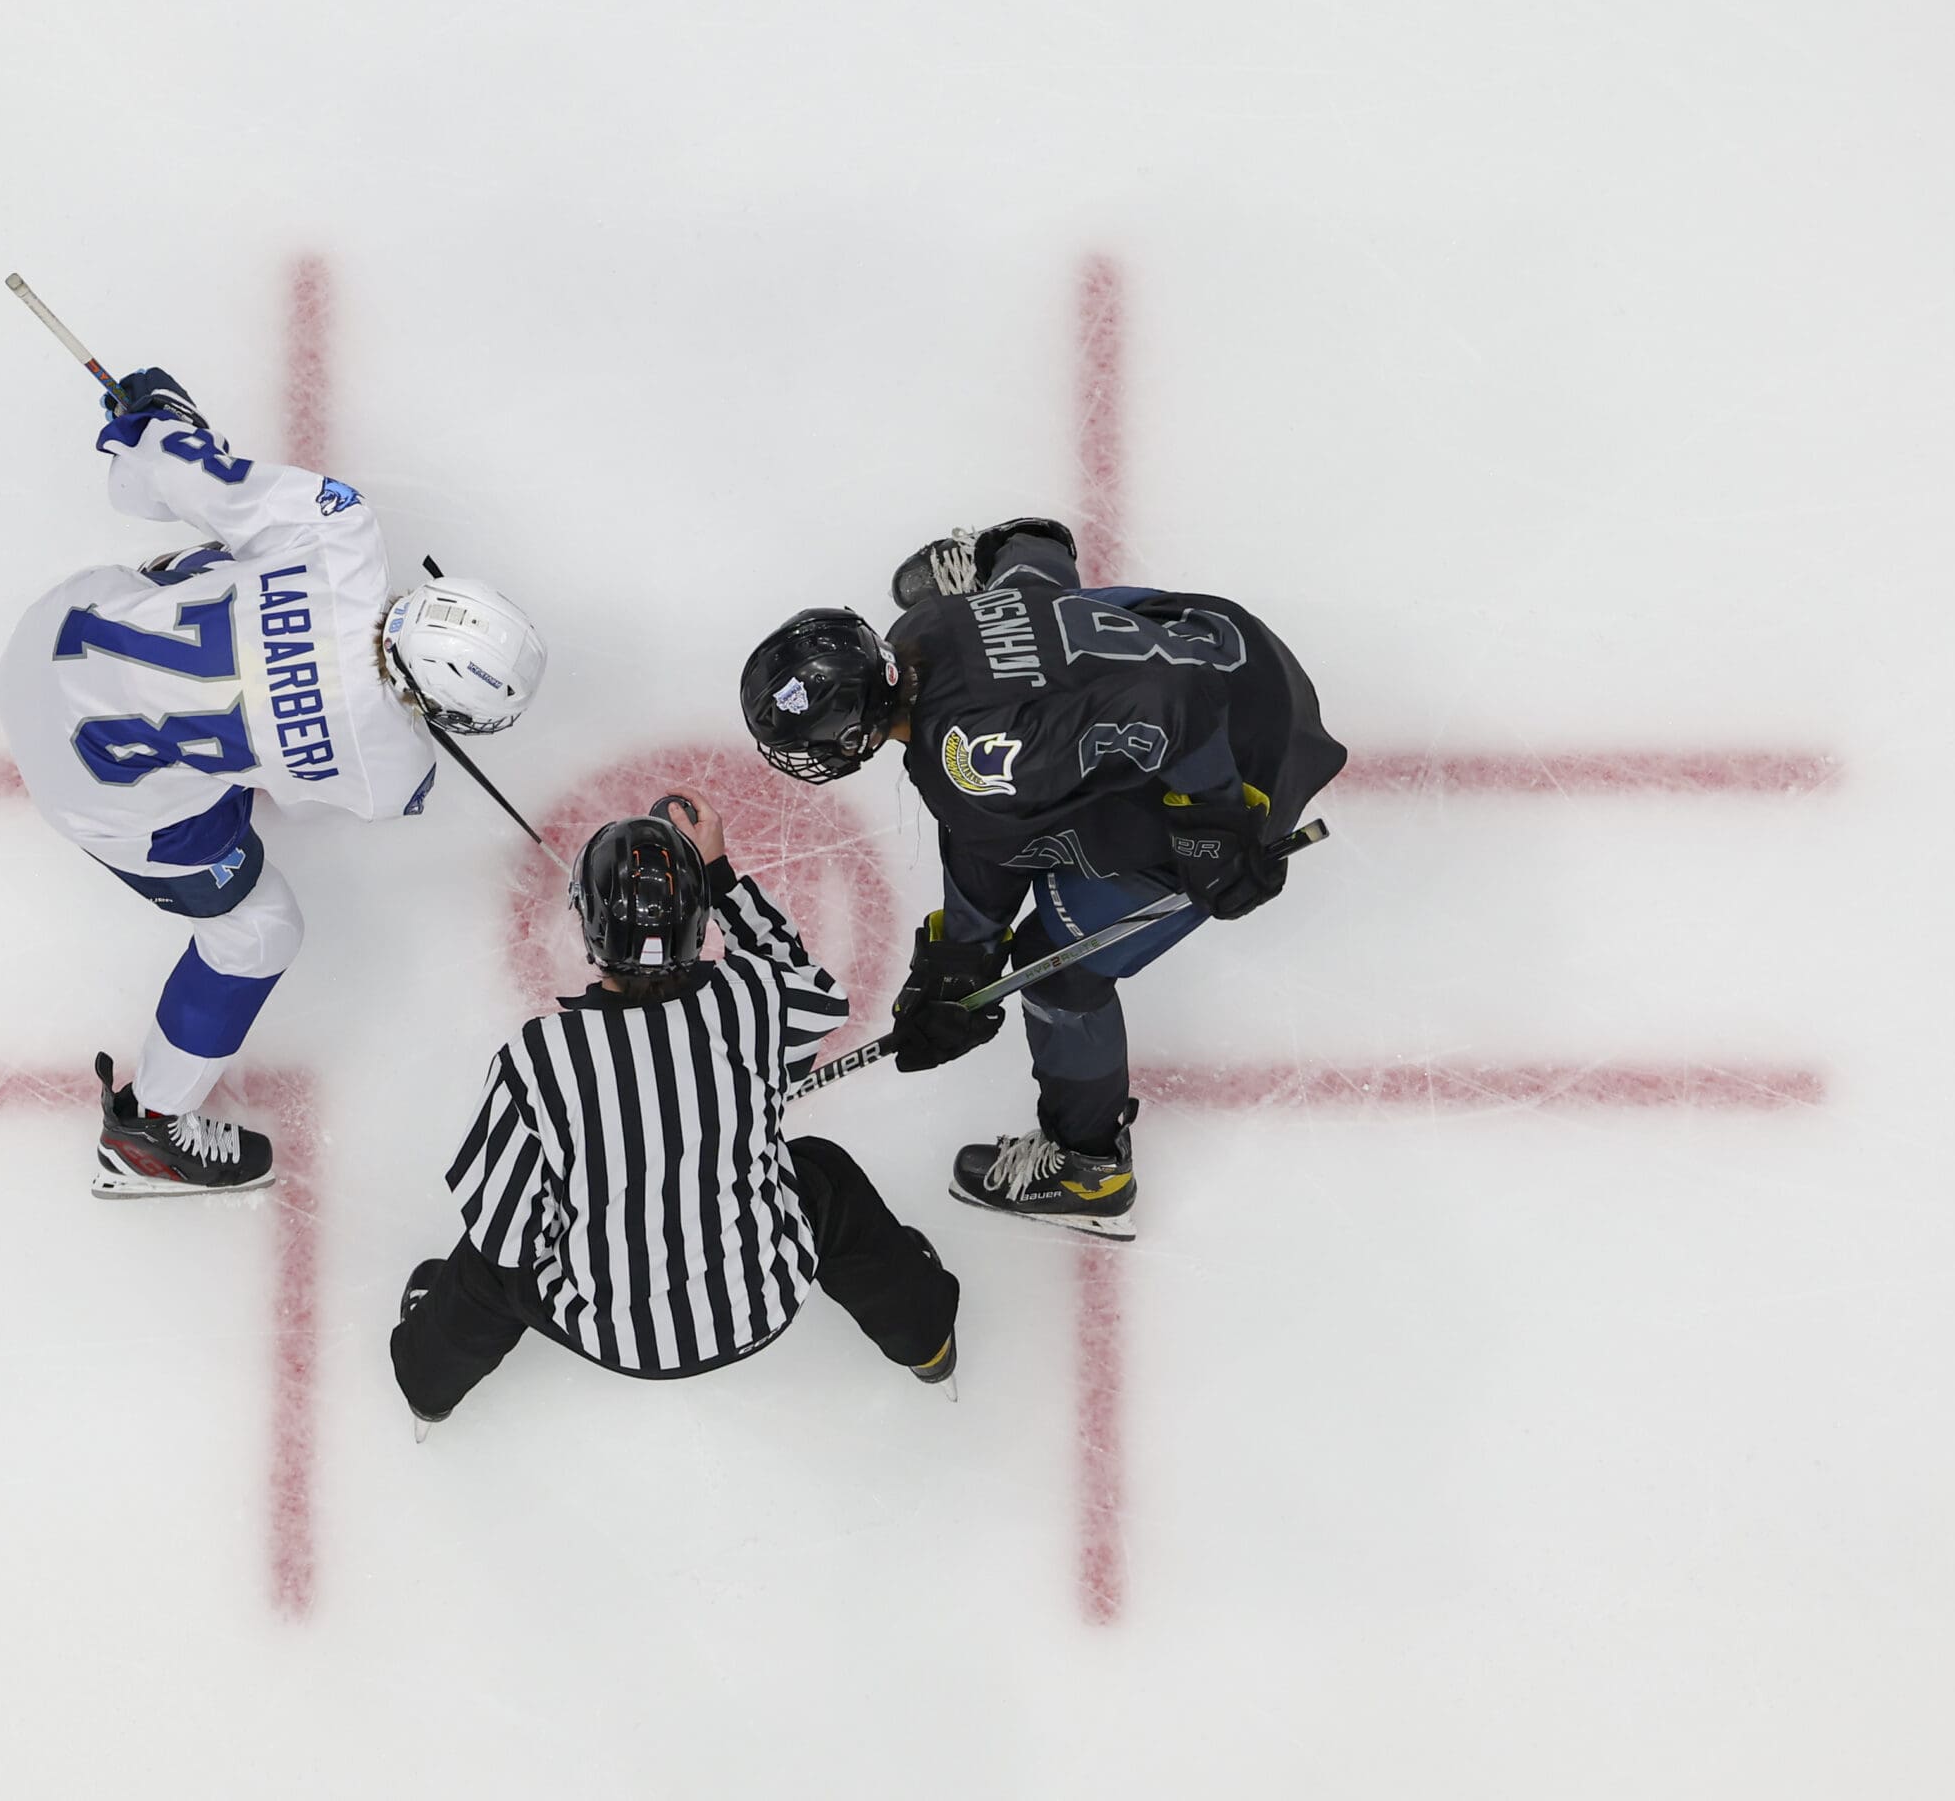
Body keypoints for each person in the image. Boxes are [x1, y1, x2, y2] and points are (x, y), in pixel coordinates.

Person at [0, 367, 547, 1197]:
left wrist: (156, 426)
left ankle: (136, 497)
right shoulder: (391, 766)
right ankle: (146, 1134)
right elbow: (392, 789)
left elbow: (189, 462)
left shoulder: (344, 533)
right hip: (91, 790)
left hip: (57, 629)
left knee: (231, 550)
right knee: (259, 929)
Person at [736, 519, 1345, 1241]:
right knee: (1048, 641)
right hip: (1233, 646)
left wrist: (1215, 827)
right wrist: (958, 959)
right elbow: (1037, 555)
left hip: (1248, 757)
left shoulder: (968, 759)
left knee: (1054, 972)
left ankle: (1091, 1167)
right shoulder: (926, 623)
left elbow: (1169, 709)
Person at [389, 789, 962, 1431]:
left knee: (483, 1271)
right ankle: (927, 1341)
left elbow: (508, 1234)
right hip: (763, 1301)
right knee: (823, 1171)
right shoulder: (754, 999)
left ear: (587, 924)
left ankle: (426, 1385)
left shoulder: (540, 1057)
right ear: (701, 918)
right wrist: (720, 874)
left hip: (615, 1334)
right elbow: (813, 991)